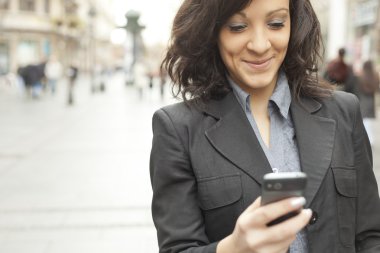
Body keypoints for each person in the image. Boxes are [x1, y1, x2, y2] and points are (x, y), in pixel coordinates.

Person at [150, 0, 380, 252]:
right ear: (210, 31)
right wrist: (234, 248)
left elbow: (370, 236)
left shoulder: (343, 112)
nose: (260, 45)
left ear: (294, 24)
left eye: (276, 24)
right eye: (237, 27)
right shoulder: (177, 129)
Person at [357, 60, 379, 145]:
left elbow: (358, 88)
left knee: (364, 119)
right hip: (370, 99)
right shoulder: (375, 76)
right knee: (367, 120)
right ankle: (369, 138)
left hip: (363, 99)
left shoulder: (361, 76)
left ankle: (368, 138)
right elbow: (377, 88)